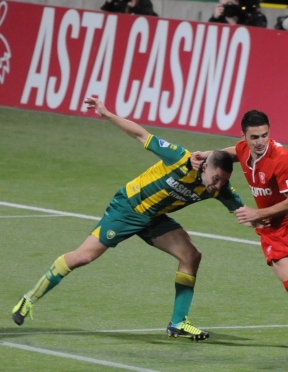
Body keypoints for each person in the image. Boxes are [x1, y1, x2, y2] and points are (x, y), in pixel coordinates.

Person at [11, 96, 244, 341]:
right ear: (206, 167)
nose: (218, 186)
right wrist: (107, 114)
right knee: (84, 256)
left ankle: (178, 323)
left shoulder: (220, 190)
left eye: (223, 181)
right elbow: (141, 136)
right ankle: (29, 299)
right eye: (216, 178)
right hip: (128, 208)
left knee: (191, 256)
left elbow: (250, 216)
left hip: (155, 217)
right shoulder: (180, 158)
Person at [193, 110, 288, 353]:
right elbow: (232, 152)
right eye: (254, 137)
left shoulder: (281, 158)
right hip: (274, 228)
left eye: (264, 136)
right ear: (244, 136)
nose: (260, 142)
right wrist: (206, 155)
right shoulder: (243, 148)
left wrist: (256, 214)